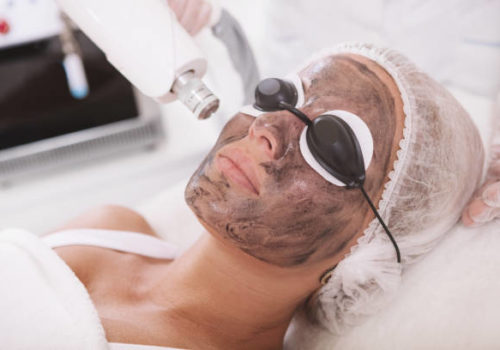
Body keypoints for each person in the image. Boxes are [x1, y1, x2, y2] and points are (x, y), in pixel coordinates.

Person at [27, 42, 482, 350]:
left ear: (370, 247)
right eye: (282, 95)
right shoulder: (110, 226)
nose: (268, 126)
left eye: (330, 143)